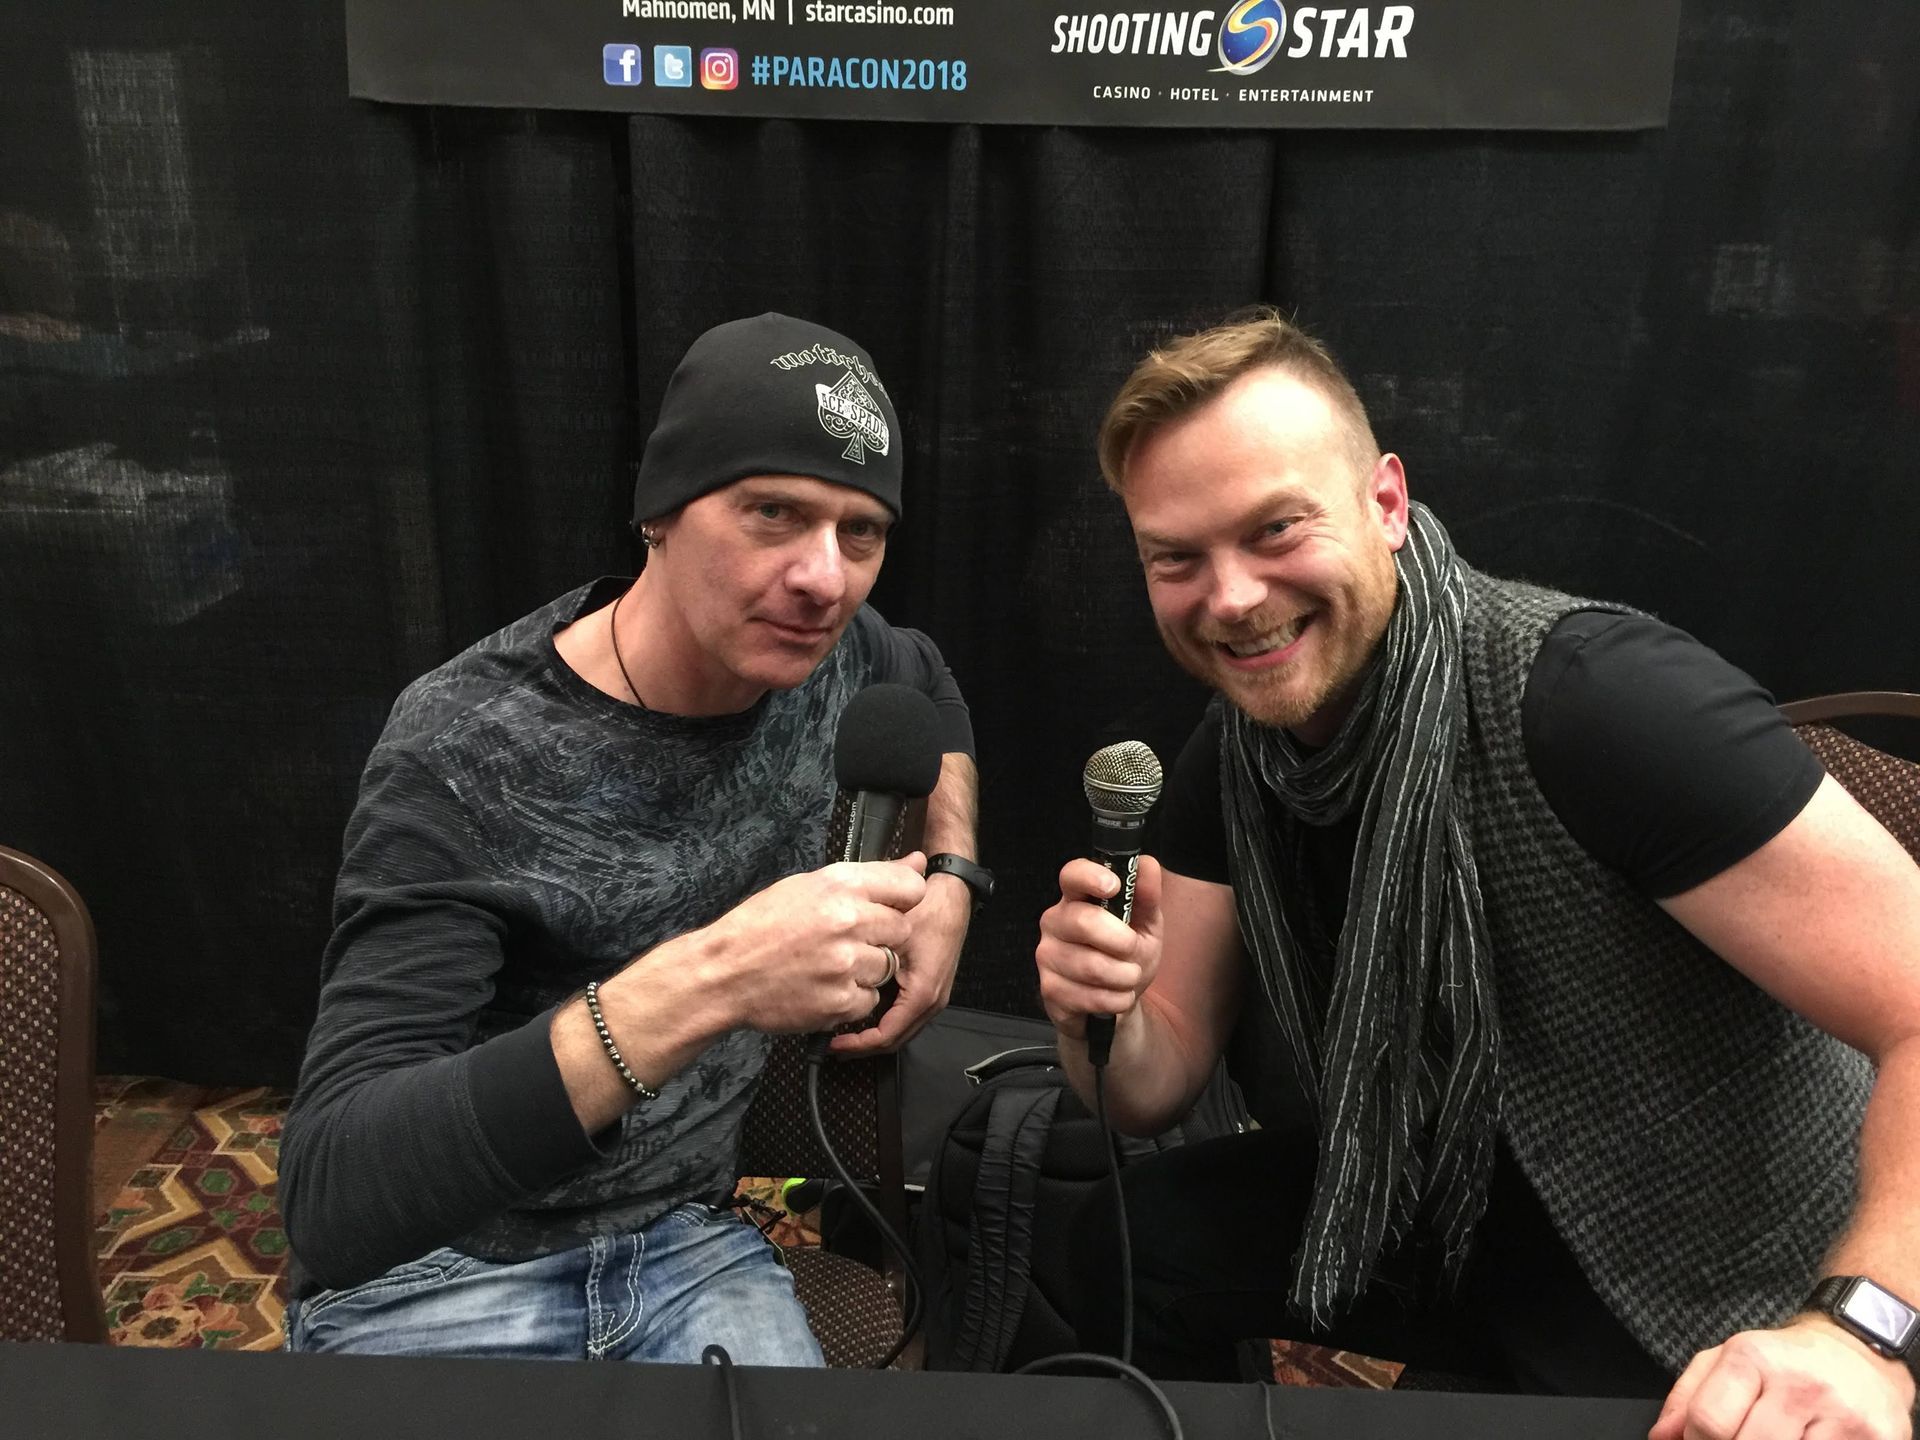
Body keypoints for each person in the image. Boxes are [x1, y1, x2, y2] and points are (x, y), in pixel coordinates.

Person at [1035, 310, 1919, 1434]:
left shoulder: (1596, 700)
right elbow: (1149, 1088)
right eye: (1178, 559)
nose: (1233, 597)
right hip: (1449, 1198)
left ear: (1387, 504)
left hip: (1730, 1259)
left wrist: (1864, 1333)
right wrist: (1096, 1010)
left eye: (1275, 530)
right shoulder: (1241, 750)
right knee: (1127, 1247)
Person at [279, 313, 982, 1364]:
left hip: (686, 1246)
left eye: (860, 533)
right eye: (772, 513)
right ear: (660, 511)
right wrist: (718, 977)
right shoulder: (465, 743)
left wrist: (955, 880)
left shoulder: (830, 656)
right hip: (438, 1270)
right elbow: (336, 1192)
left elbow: (929, 681)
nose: (823, 578)